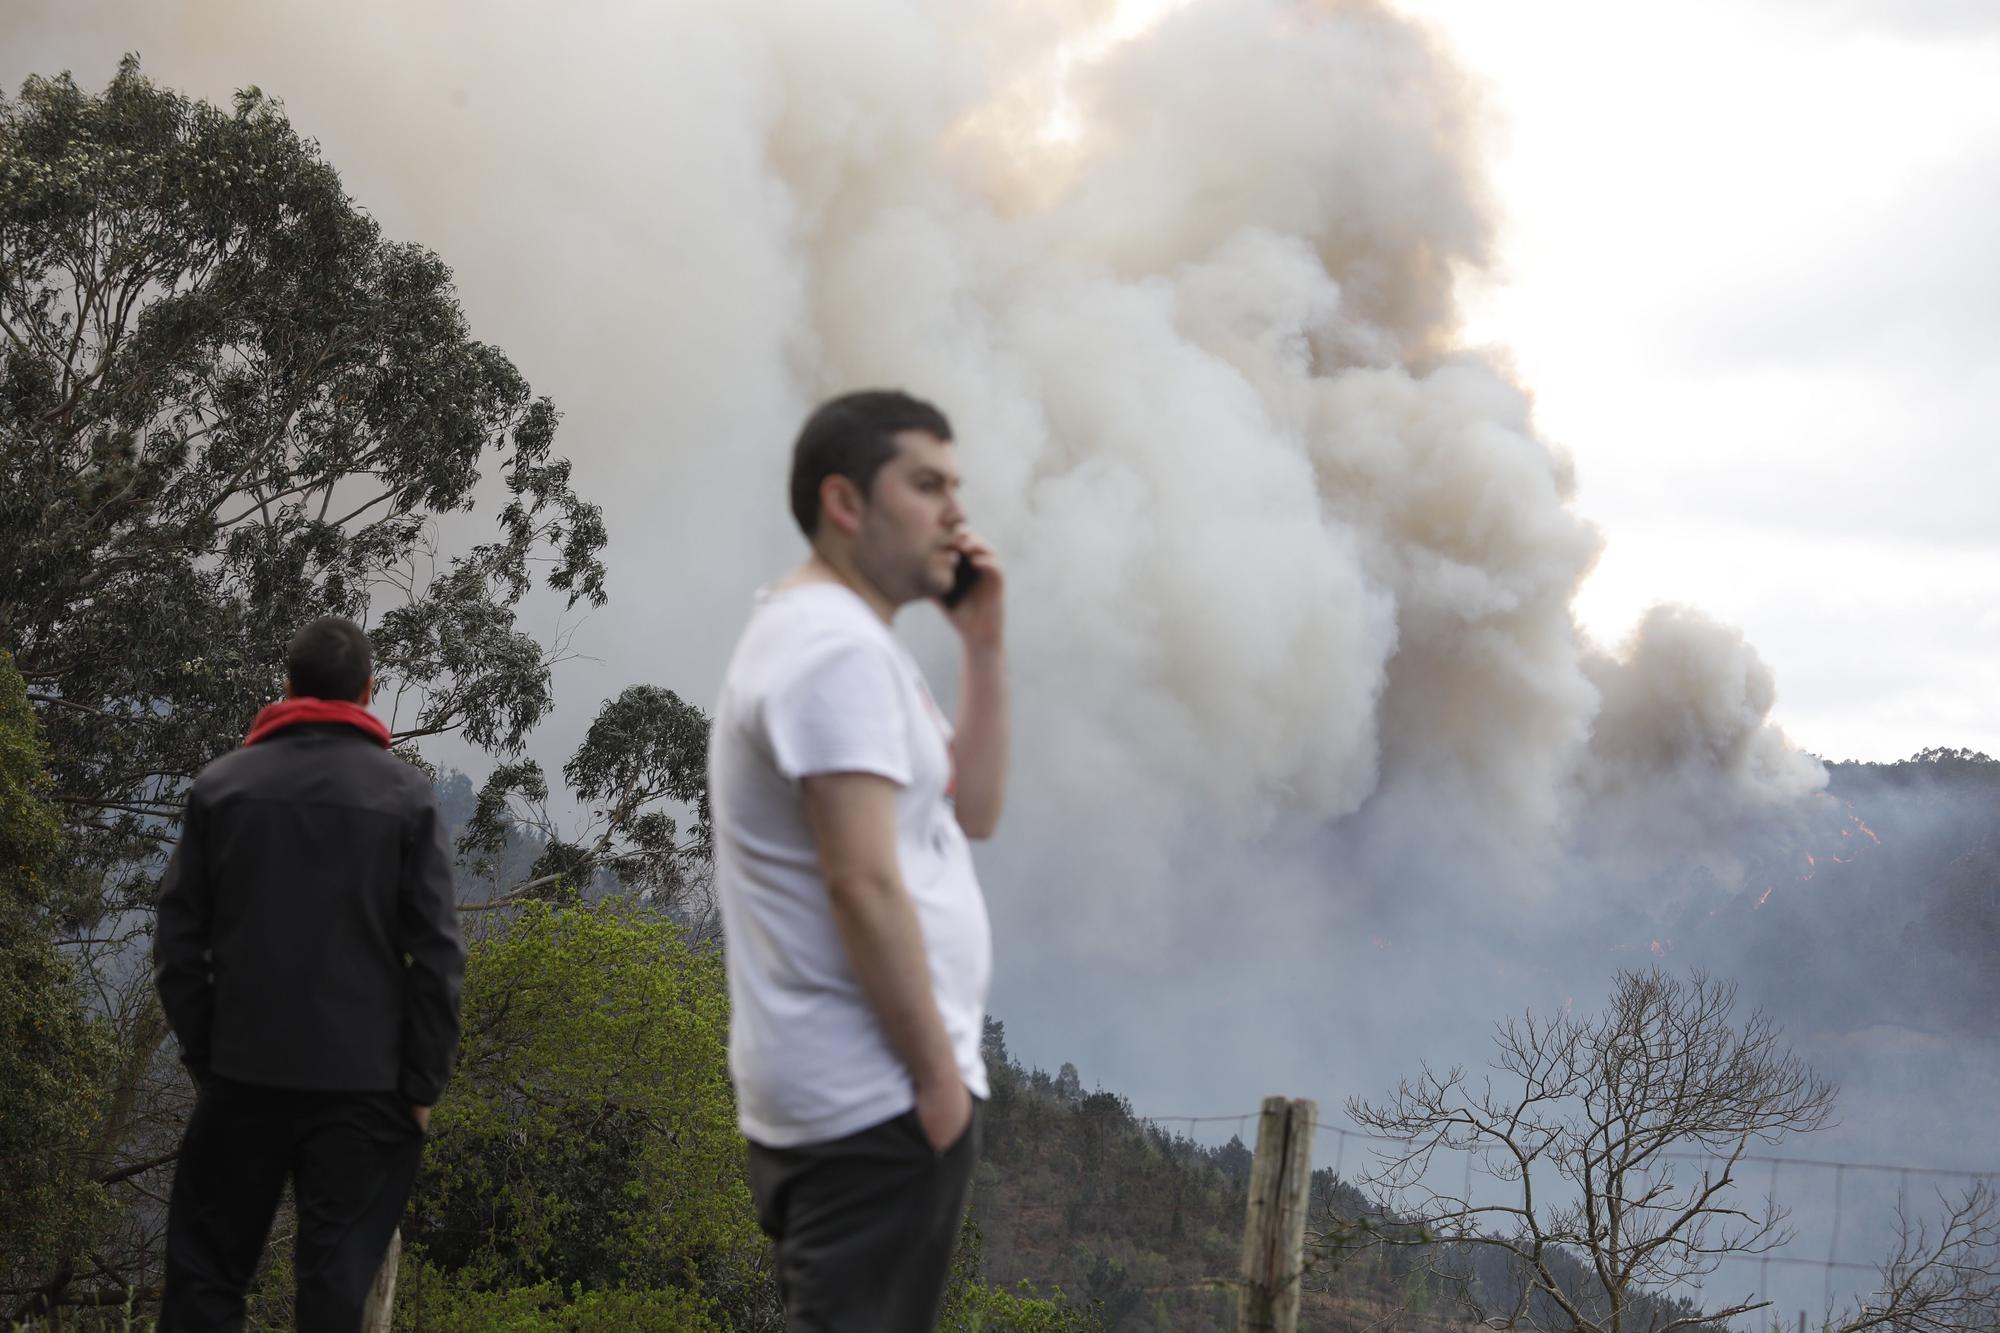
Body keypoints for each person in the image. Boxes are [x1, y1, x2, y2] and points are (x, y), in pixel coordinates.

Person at [709, 389, 1010, 1330]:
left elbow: (977, 811)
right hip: (872, 1098)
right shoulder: (833, 648)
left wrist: (984, 644)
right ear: (846, 504)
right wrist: (935, 1087)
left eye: (956, 485)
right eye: (927, 484)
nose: (955, 511)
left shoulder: (851, 640)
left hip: (868, 1097)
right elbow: (862, 880)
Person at [153, 615, 465, 1331]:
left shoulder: (222, 788)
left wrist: (211, 1056)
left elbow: (177, 944)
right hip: (365, 1091)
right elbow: (438, 955)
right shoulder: (407, 799)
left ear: (288, 684)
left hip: (244, 1074)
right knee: (334, 1292)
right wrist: (420, 1086)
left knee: (205, 1279)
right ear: (369, 691)